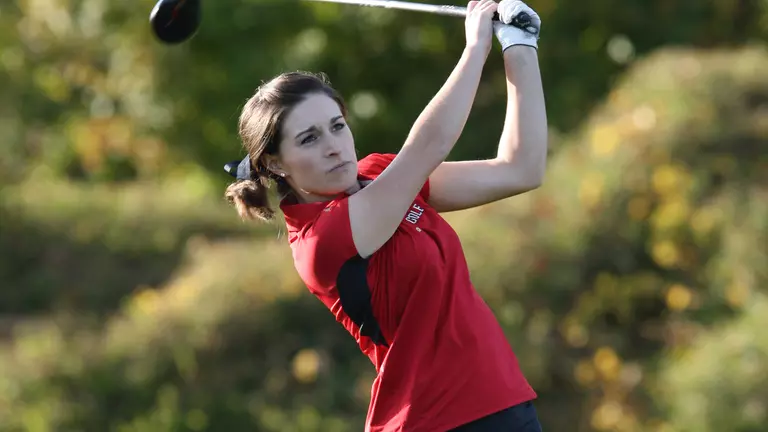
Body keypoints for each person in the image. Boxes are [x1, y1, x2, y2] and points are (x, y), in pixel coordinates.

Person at [223, 0, 548, 430]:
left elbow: (520, 168)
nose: (335, 145)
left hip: (503, 404)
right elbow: (427, 146)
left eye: (338, 126)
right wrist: (475, 48)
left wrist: (519, 47)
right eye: (309, 138)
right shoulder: (322, 240)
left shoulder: (376, 173)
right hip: (437, 422)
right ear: (277, 164)